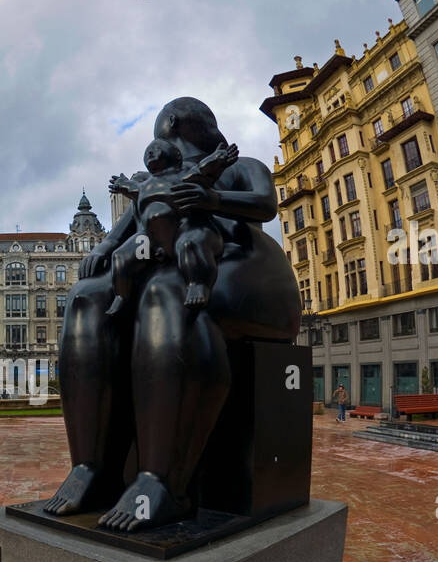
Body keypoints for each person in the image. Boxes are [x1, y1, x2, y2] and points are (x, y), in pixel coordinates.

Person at [45, 97, 301, 531]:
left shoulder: (239, 165)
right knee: (85, 299)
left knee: (168, 292)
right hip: (167, 261)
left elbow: (264, 204)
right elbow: (126, 228)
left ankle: (164, 481)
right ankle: (91, 467)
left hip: (241, 266)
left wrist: (213, 197)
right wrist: (105, 249)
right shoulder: (159, 179)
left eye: (171, 130)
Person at [106, 139, 238, 315]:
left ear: (175, 156)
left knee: (190, 245)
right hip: (151, 242)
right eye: (148, 151)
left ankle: (198, 284)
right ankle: (122, 295)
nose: (151, 153)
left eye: (156, 149)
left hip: (182, 229)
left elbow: (203, 169)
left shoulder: (183, 176)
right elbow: (129, 187)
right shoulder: (144, 185)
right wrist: (120, 183)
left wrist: (218, 158)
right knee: (121, 257)